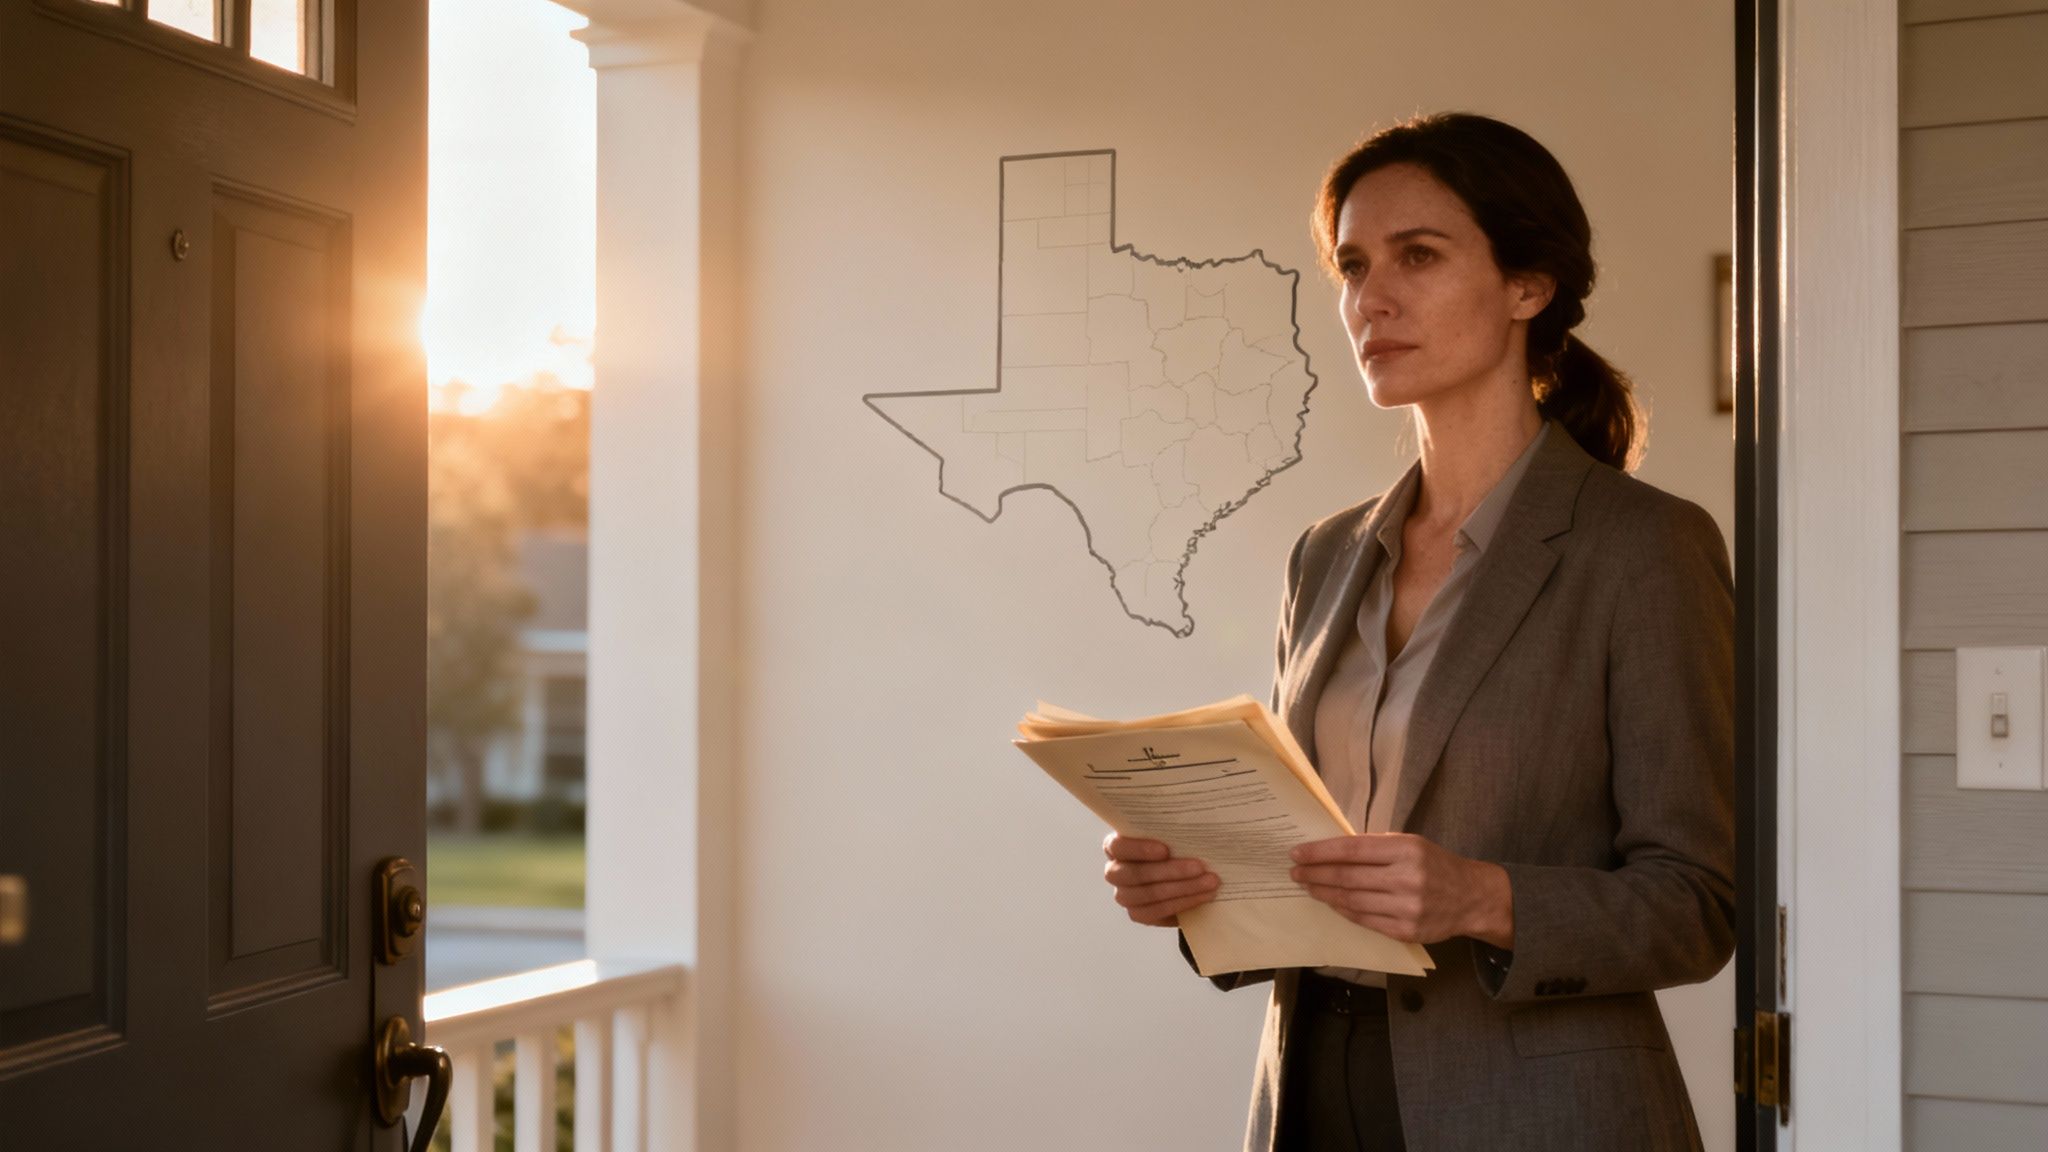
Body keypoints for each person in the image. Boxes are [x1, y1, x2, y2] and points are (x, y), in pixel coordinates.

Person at [1100, 113, 1735, 1152]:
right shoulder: (1324, 554)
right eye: (1351, 265)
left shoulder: (1642, 547)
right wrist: (1196, 887)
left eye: (1417, 257)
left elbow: (1697, 903)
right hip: (1308, 1085)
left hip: (1539, 1113)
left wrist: (1482, 899)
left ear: (1527, 286)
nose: (1369, 300)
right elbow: (1301, 850)